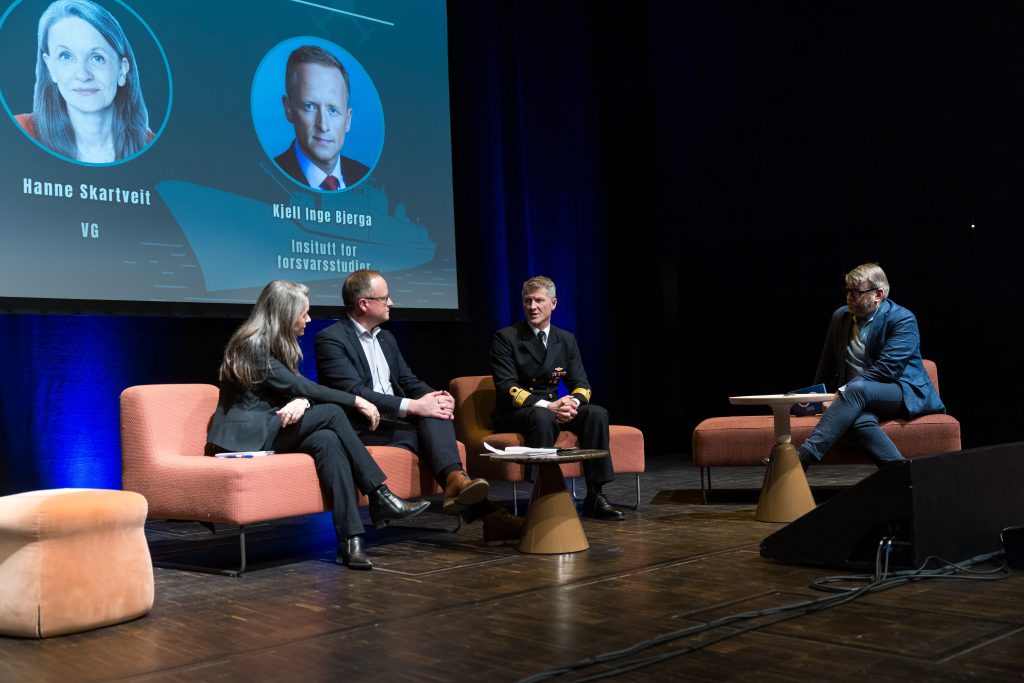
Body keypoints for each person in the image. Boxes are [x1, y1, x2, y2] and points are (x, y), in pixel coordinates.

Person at [206, 280, 430, 570]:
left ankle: (352, 541)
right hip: (244, 438)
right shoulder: (253, 345)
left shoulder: (277, 345)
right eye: (304, 314)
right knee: (334, 414)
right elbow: (298, 385)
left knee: (327, 440)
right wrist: (356, 401)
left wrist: (301, 401)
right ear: (285, 314)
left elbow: (293, 390)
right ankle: (380, 494)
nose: (308, 320)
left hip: (270, 426)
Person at [315, 270, 525, 543]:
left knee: (434, 414)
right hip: (362, 425)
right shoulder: (331, 339)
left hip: (395, 421)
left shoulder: (386, 338)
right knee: (428, 427)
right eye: (385, 298)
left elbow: (408, 380)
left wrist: (436, 396)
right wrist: (415, 406)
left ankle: (458, 484)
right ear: (364, 304)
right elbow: (355, 392)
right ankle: (479, 504)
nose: (391, 303)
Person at [490, 275, 625, 521]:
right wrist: (549, 406)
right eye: (527, 301)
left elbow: (581, 384)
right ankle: (542, 495)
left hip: (554, 406)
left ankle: (596, 495)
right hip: (517, 411)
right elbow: (507, 387)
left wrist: (572, 403)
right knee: (542, 417)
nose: (532, 307)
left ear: (553, 304)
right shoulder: (506, 337)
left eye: (539, 300)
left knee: (596, 413)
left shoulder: (565, 339)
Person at [796, 263, 945, 470]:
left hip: (899, 391)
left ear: (879, 294)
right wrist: (813, 400)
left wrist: (842, 394)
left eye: (857, 291)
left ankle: (803, 456)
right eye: (848, 290)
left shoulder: (902, 319)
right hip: (857, 397)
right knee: (860, 421)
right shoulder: (840, 317)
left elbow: (887, 370)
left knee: (858, 390)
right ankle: (901, 477)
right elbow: (827, 363)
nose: (849, 296)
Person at [17, 0, 153, 163]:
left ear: (122, 70)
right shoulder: (17, 130)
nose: (82, 75)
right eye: (66, 56)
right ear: (50, 67)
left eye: (97, 58)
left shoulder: (154, 149)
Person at [274, 45, 369, 191]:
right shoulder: (267, 178)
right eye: (310, 106)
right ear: (289, 109)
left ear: (348, 120)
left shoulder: (368, 179)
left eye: (333, 110)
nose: (323, 125)